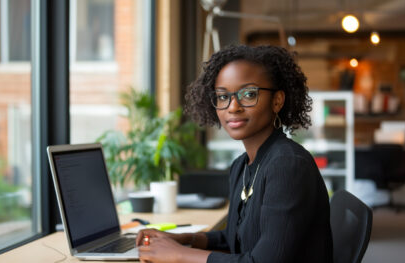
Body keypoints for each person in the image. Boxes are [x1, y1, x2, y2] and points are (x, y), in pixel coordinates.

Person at [136, 45, 333, 263]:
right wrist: (182, 239)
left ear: (277, 101)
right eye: (222, 97)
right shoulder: (243, 165)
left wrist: (179, 255)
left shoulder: (288, 165)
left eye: (249, 94)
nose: (233, 107)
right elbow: (237, 237)